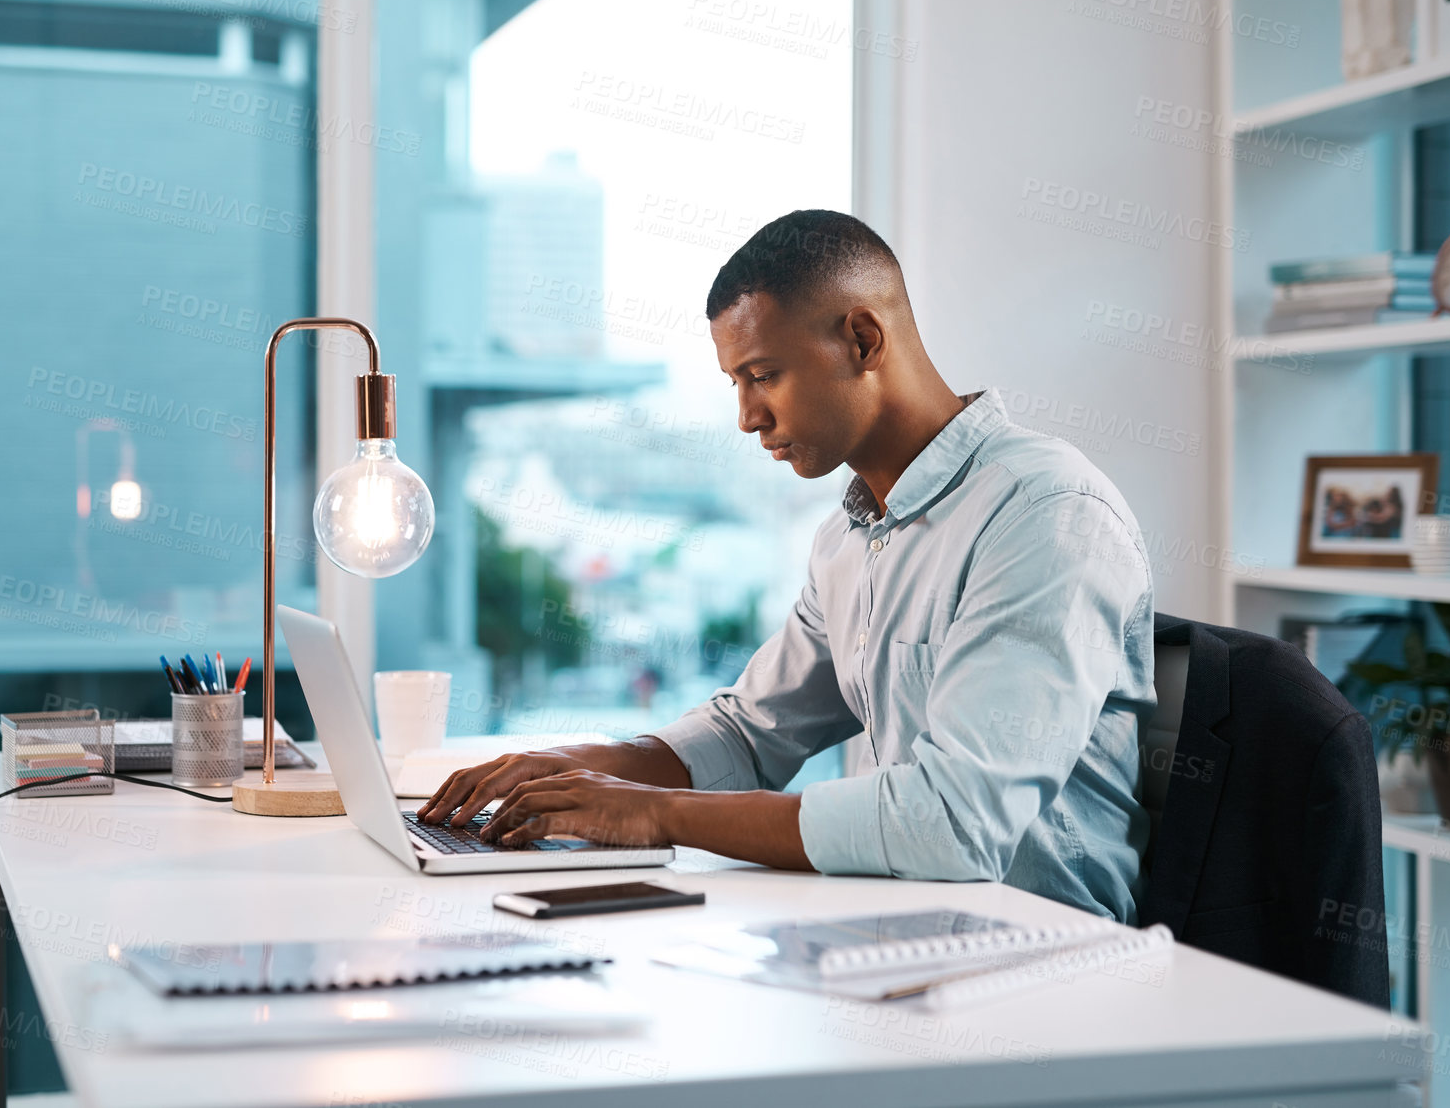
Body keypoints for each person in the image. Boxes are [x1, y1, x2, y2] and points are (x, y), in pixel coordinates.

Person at [423, 209, 1156, 922]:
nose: (746, 416)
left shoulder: (1044, 513)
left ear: (862, 340)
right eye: (735, 383)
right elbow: (748, 735)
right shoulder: (848, 537)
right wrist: (572, 767)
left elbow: (952, 823)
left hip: (1040, 958)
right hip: (894, 927)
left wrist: (651, 815)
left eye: (763, 375)